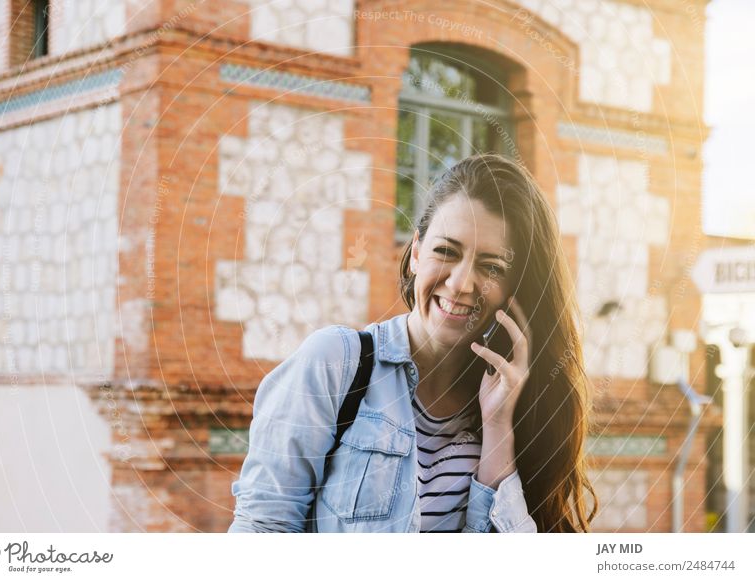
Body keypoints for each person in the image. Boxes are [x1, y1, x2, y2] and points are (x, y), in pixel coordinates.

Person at [228, 153, 598, 533]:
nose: (460, 284)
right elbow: (262, 530)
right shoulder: (334, 364)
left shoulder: (516, 407)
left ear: (513, 292)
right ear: (417, 253)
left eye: (491, 267)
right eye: (446, 251)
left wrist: (499, 424)